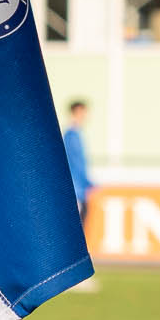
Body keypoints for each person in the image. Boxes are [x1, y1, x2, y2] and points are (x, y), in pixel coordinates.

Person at [61, 99, 99, 292]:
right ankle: (74, 277)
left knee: (81, 232)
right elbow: (75, 164)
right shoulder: (71, 135)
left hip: (80, 190)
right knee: (76, 234)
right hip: (76, 191)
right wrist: (87, 182)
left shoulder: (76, 135)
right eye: (82, 112)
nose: (84, 116)